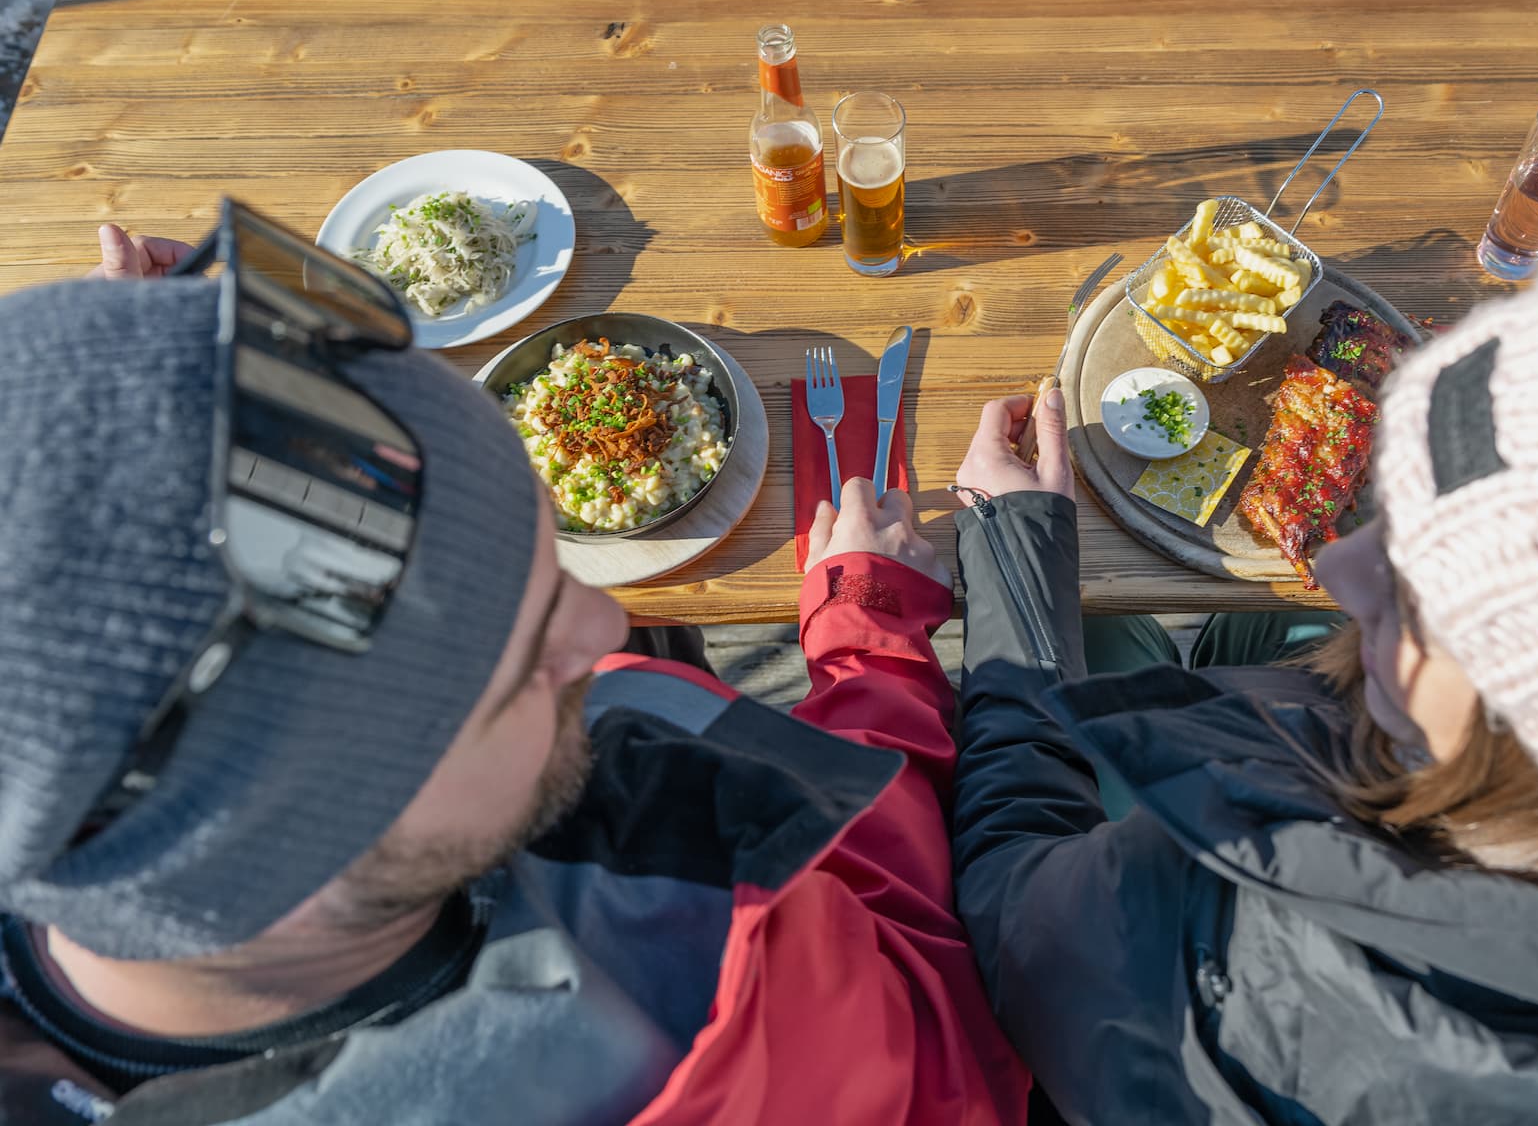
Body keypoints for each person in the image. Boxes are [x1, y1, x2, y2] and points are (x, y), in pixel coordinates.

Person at [0, 224, 1027, 1123]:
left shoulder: (65, 790)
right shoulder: (718, 1008)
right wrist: (872, 631)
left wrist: (138, 431)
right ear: (282, 834)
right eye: (521, 656)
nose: (605, 622)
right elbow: (939, 995)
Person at [947, 246, 1538, 1124]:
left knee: (1111, 643)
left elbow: (1007, 910)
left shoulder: (1238, 950)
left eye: (1419, 595)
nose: (1340, 568)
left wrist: (1017, 561)